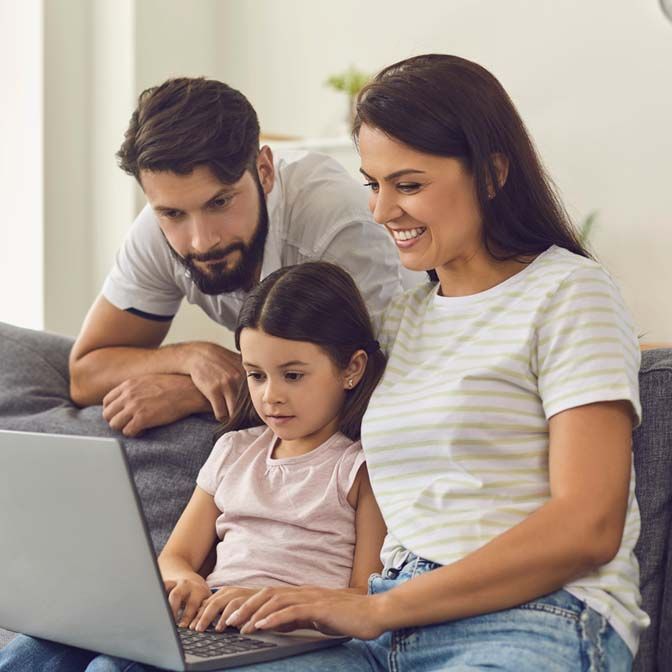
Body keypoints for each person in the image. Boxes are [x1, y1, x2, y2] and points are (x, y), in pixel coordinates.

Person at [101, 54, 644, 671]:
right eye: (373, 184)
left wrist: (374, 608)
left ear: (492, 174)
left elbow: (588, 526)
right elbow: (288, 382)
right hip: (381, 632)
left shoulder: (571, 294)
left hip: (528, 619)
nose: (382, 212)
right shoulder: (396, 322)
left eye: (408, 185)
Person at [0, 262, 388, 671]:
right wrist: (186, 580)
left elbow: (368, 597)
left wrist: (283, 605)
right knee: (40, 647)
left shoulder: (358, 467)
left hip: (301, 637)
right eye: (255, 375)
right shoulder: (234, 450)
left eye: (292, 375)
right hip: (215, 624)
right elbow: (175, 557)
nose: (271, 396)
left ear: (351, 369)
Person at [68, 77, 419, 437]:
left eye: (219, 202)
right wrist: (188, 357)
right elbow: (85, 374)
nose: (202, 241)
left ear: (264, 170)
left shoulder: (334, 224)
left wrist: (203, 392)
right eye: (173, 214)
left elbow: (368, 383)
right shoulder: (155, 231)